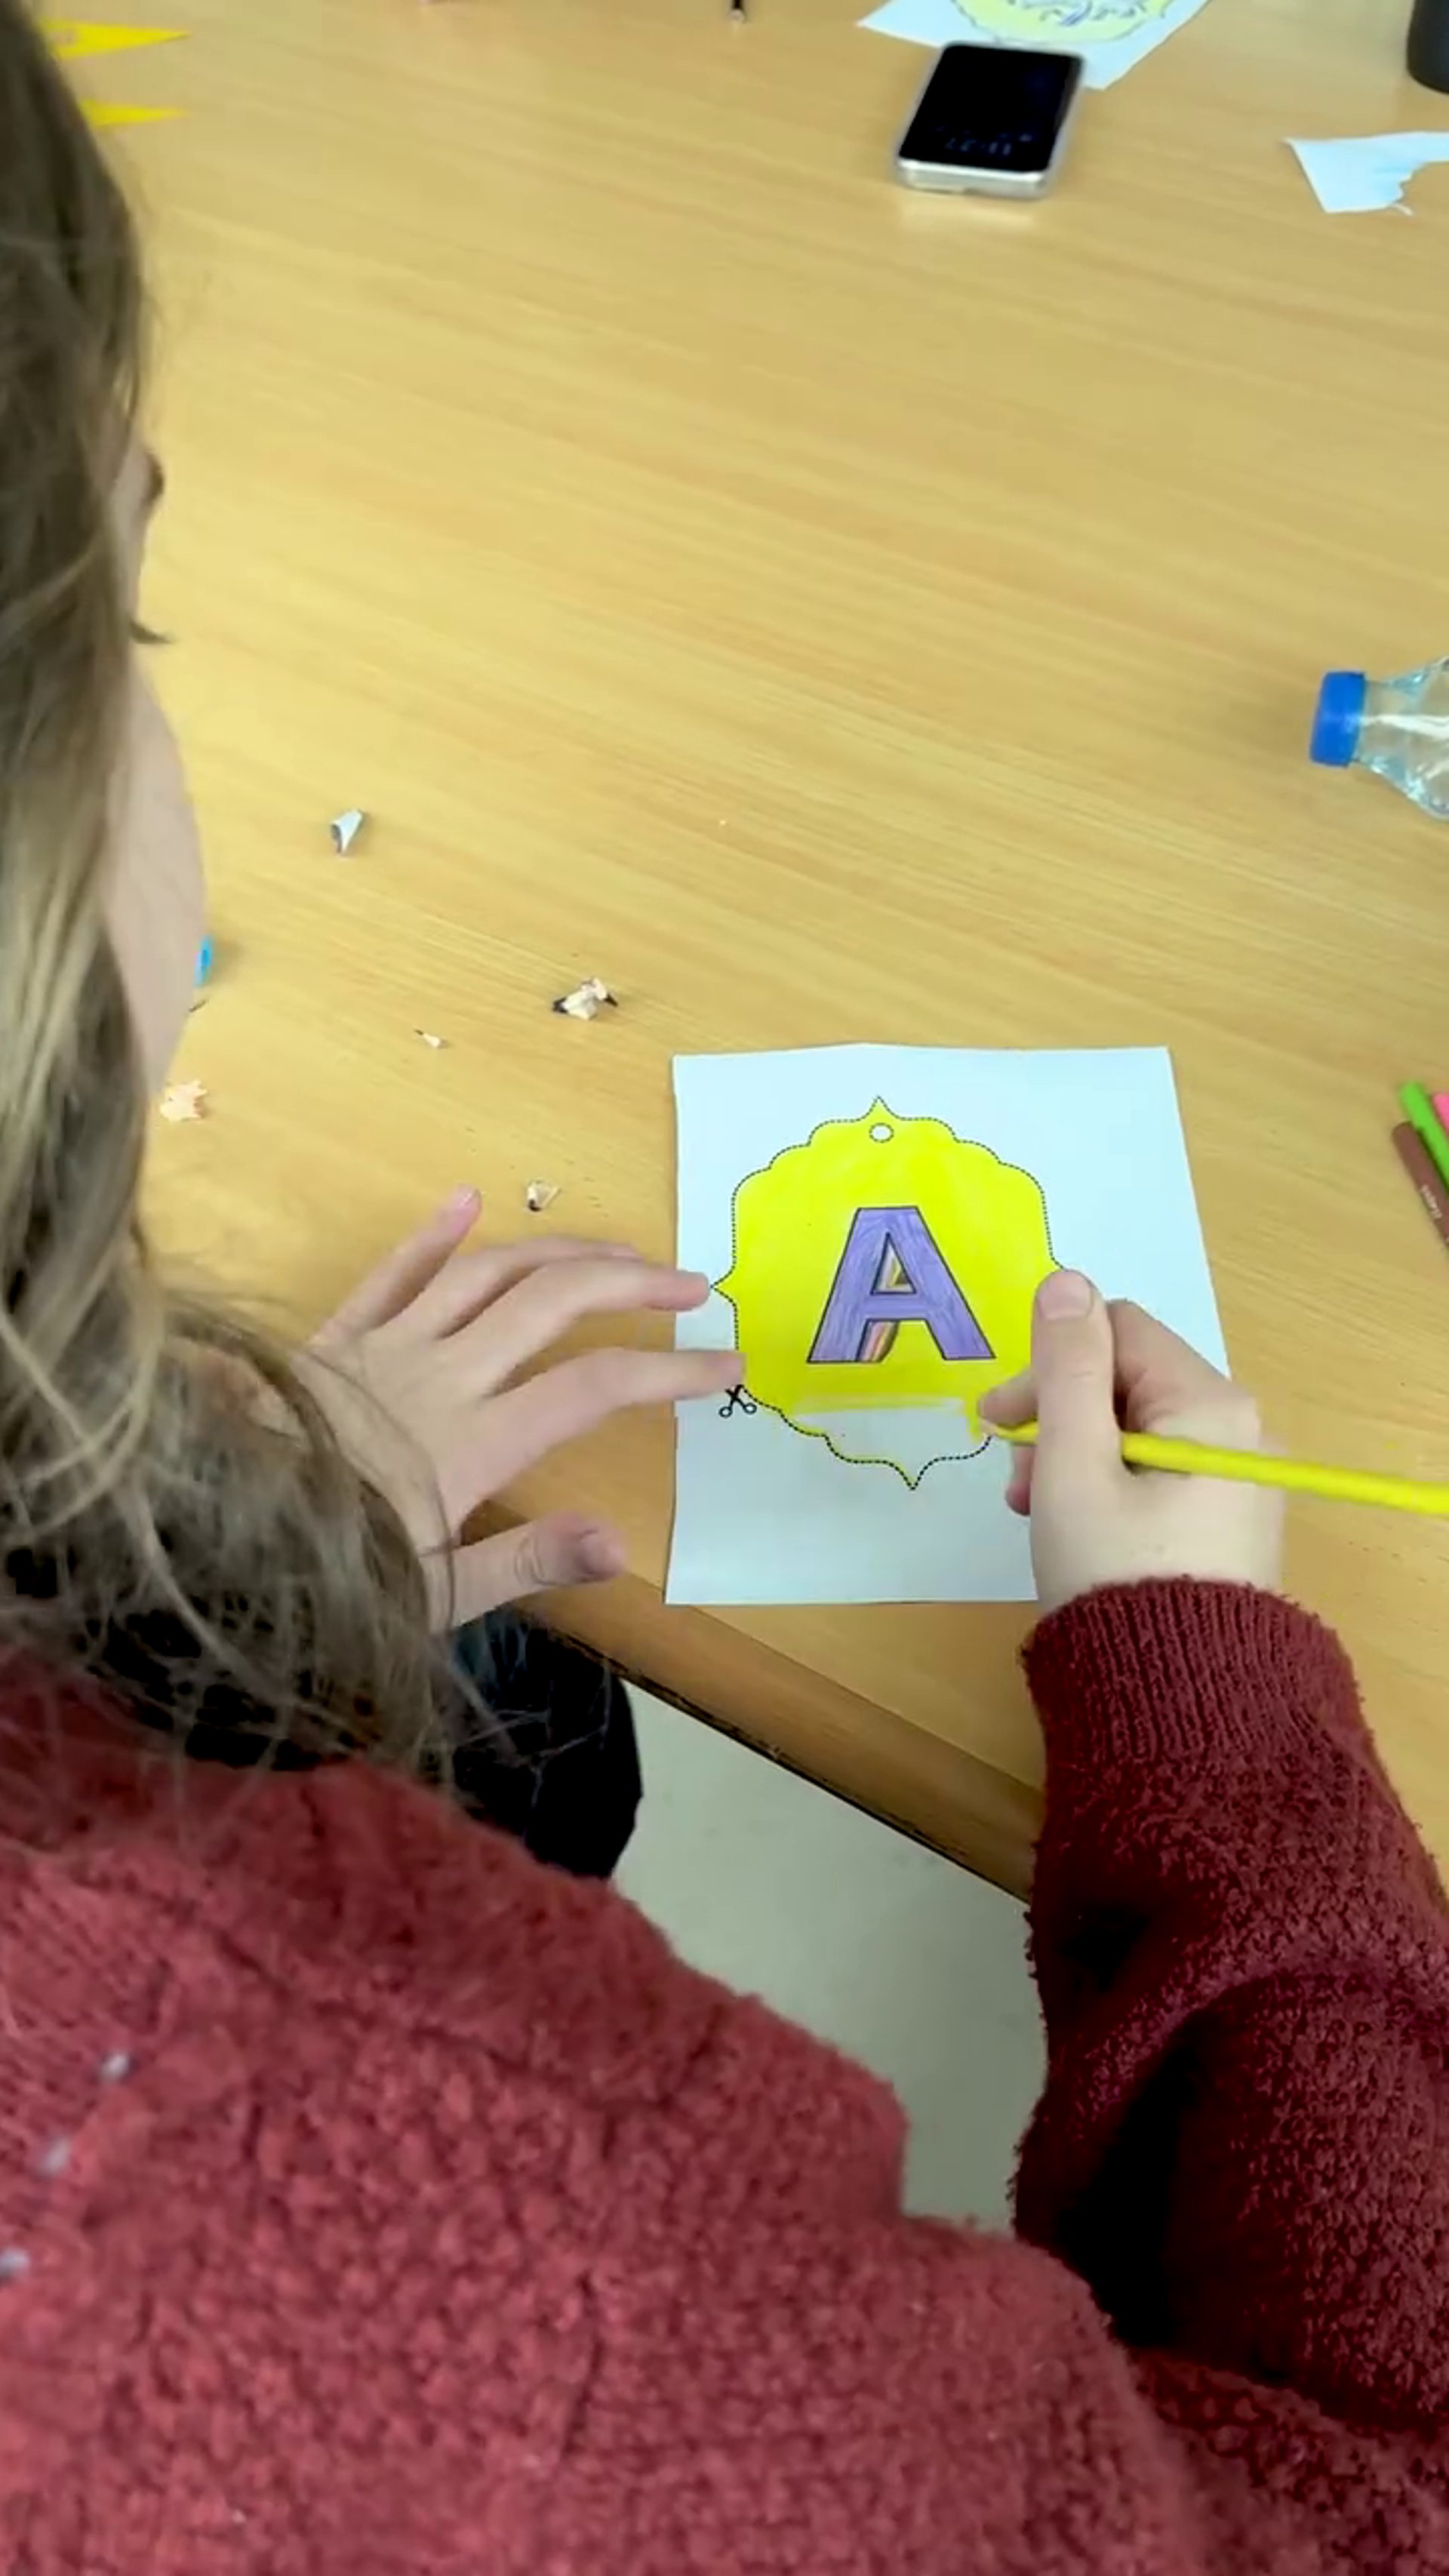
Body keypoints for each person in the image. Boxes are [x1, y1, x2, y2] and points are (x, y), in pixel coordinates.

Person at [0, 8, 1444, 2568]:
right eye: (132, 630)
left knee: (532, 1696)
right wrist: (1218, 1739)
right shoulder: (443, 2201)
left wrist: (191, 1641)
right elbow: (1374, 2505)